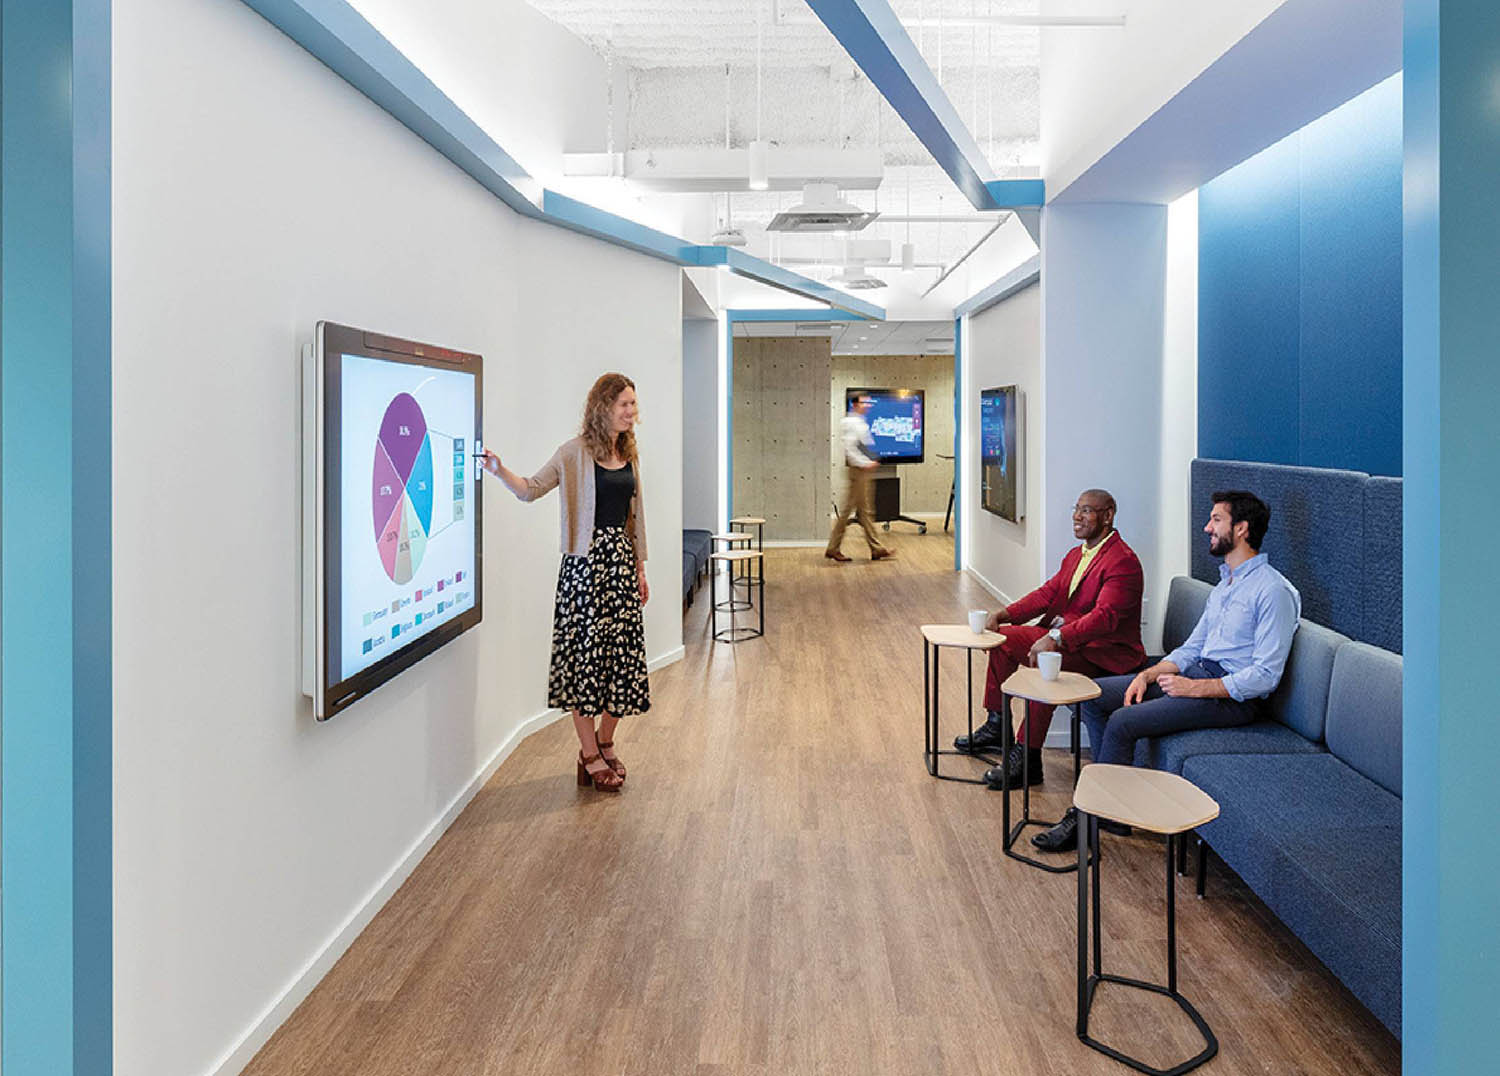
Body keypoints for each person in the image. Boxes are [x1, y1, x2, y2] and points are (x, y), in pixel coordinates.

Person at [1033, 489, 1301, 852]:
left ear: (1241, 529)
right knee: (1094, 697)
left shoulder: (1273, 591)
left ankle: (1088, 819)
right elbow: (1193, 647)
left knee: (1122, 722)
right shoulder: (1226, 584)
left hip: (1231, 698)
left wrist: (1195, 689)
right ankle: (1112, 809)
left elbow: (1266, 675)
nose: (1206, 527)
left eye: (1216, 520)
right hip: (1198, 676)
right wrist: (1149, 673)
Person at [480, 373, 651, 792]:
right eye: (625, 404)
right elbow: (531, 489)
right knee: (585, 663)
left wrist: (641, 568)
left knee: (623, 661)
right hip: (584, 571)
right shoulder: (572, 453)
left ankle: (606, 741)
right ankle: (588, 753)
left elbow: (637, 515)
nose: (632, 412)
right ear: (603, 407)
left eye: (633, 404)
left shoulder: (628, 452)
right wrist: (500, 471)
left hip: (622, 568)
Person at [954, 489, 1147, 789]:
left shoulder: (1123, 561)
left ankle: (1027, 757)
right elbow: (1046, 595)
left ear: (1108, 516)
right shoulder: (1077, 554)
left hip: (1104, 655)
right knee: (1002, 639)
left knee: (1044, 662)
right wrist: (1004, 614)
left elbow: (1104, 617)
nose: (1077, 516)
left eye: (1087, 510)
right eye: (1076, 508)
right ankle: (997, 725)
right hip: (1073, 643)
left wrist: (1055, 637)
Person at [825, 392, 895, 563]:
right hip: (859, 471)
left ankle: (875, 548)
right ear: (855, 404)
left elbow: (863, 446)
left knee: (864, 512)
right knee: (852, 511)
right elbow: (850, 449)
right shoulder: (850, 423)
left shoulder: (858, 421)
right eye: (864, 402)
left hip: (862, 470)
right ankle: (834, 548)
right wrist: (865, 464)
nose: (868, 405)